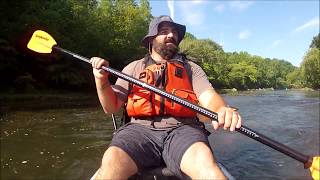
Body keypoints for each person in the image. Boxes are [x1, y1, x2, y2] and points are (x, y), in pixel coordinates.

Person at [90, 15, 242, 180]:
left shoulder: (191, 69)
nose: (171, 35)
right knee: (112, 161)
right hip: (138, 131)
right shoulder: (132, 68)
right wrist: (101, 80)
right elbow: (111, 107)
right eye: (164, 31)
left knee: (205, 163)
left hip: (184, 130)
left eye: (174, 32)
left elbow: (208, 96)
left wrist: (220, 109)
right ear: (151, 39)